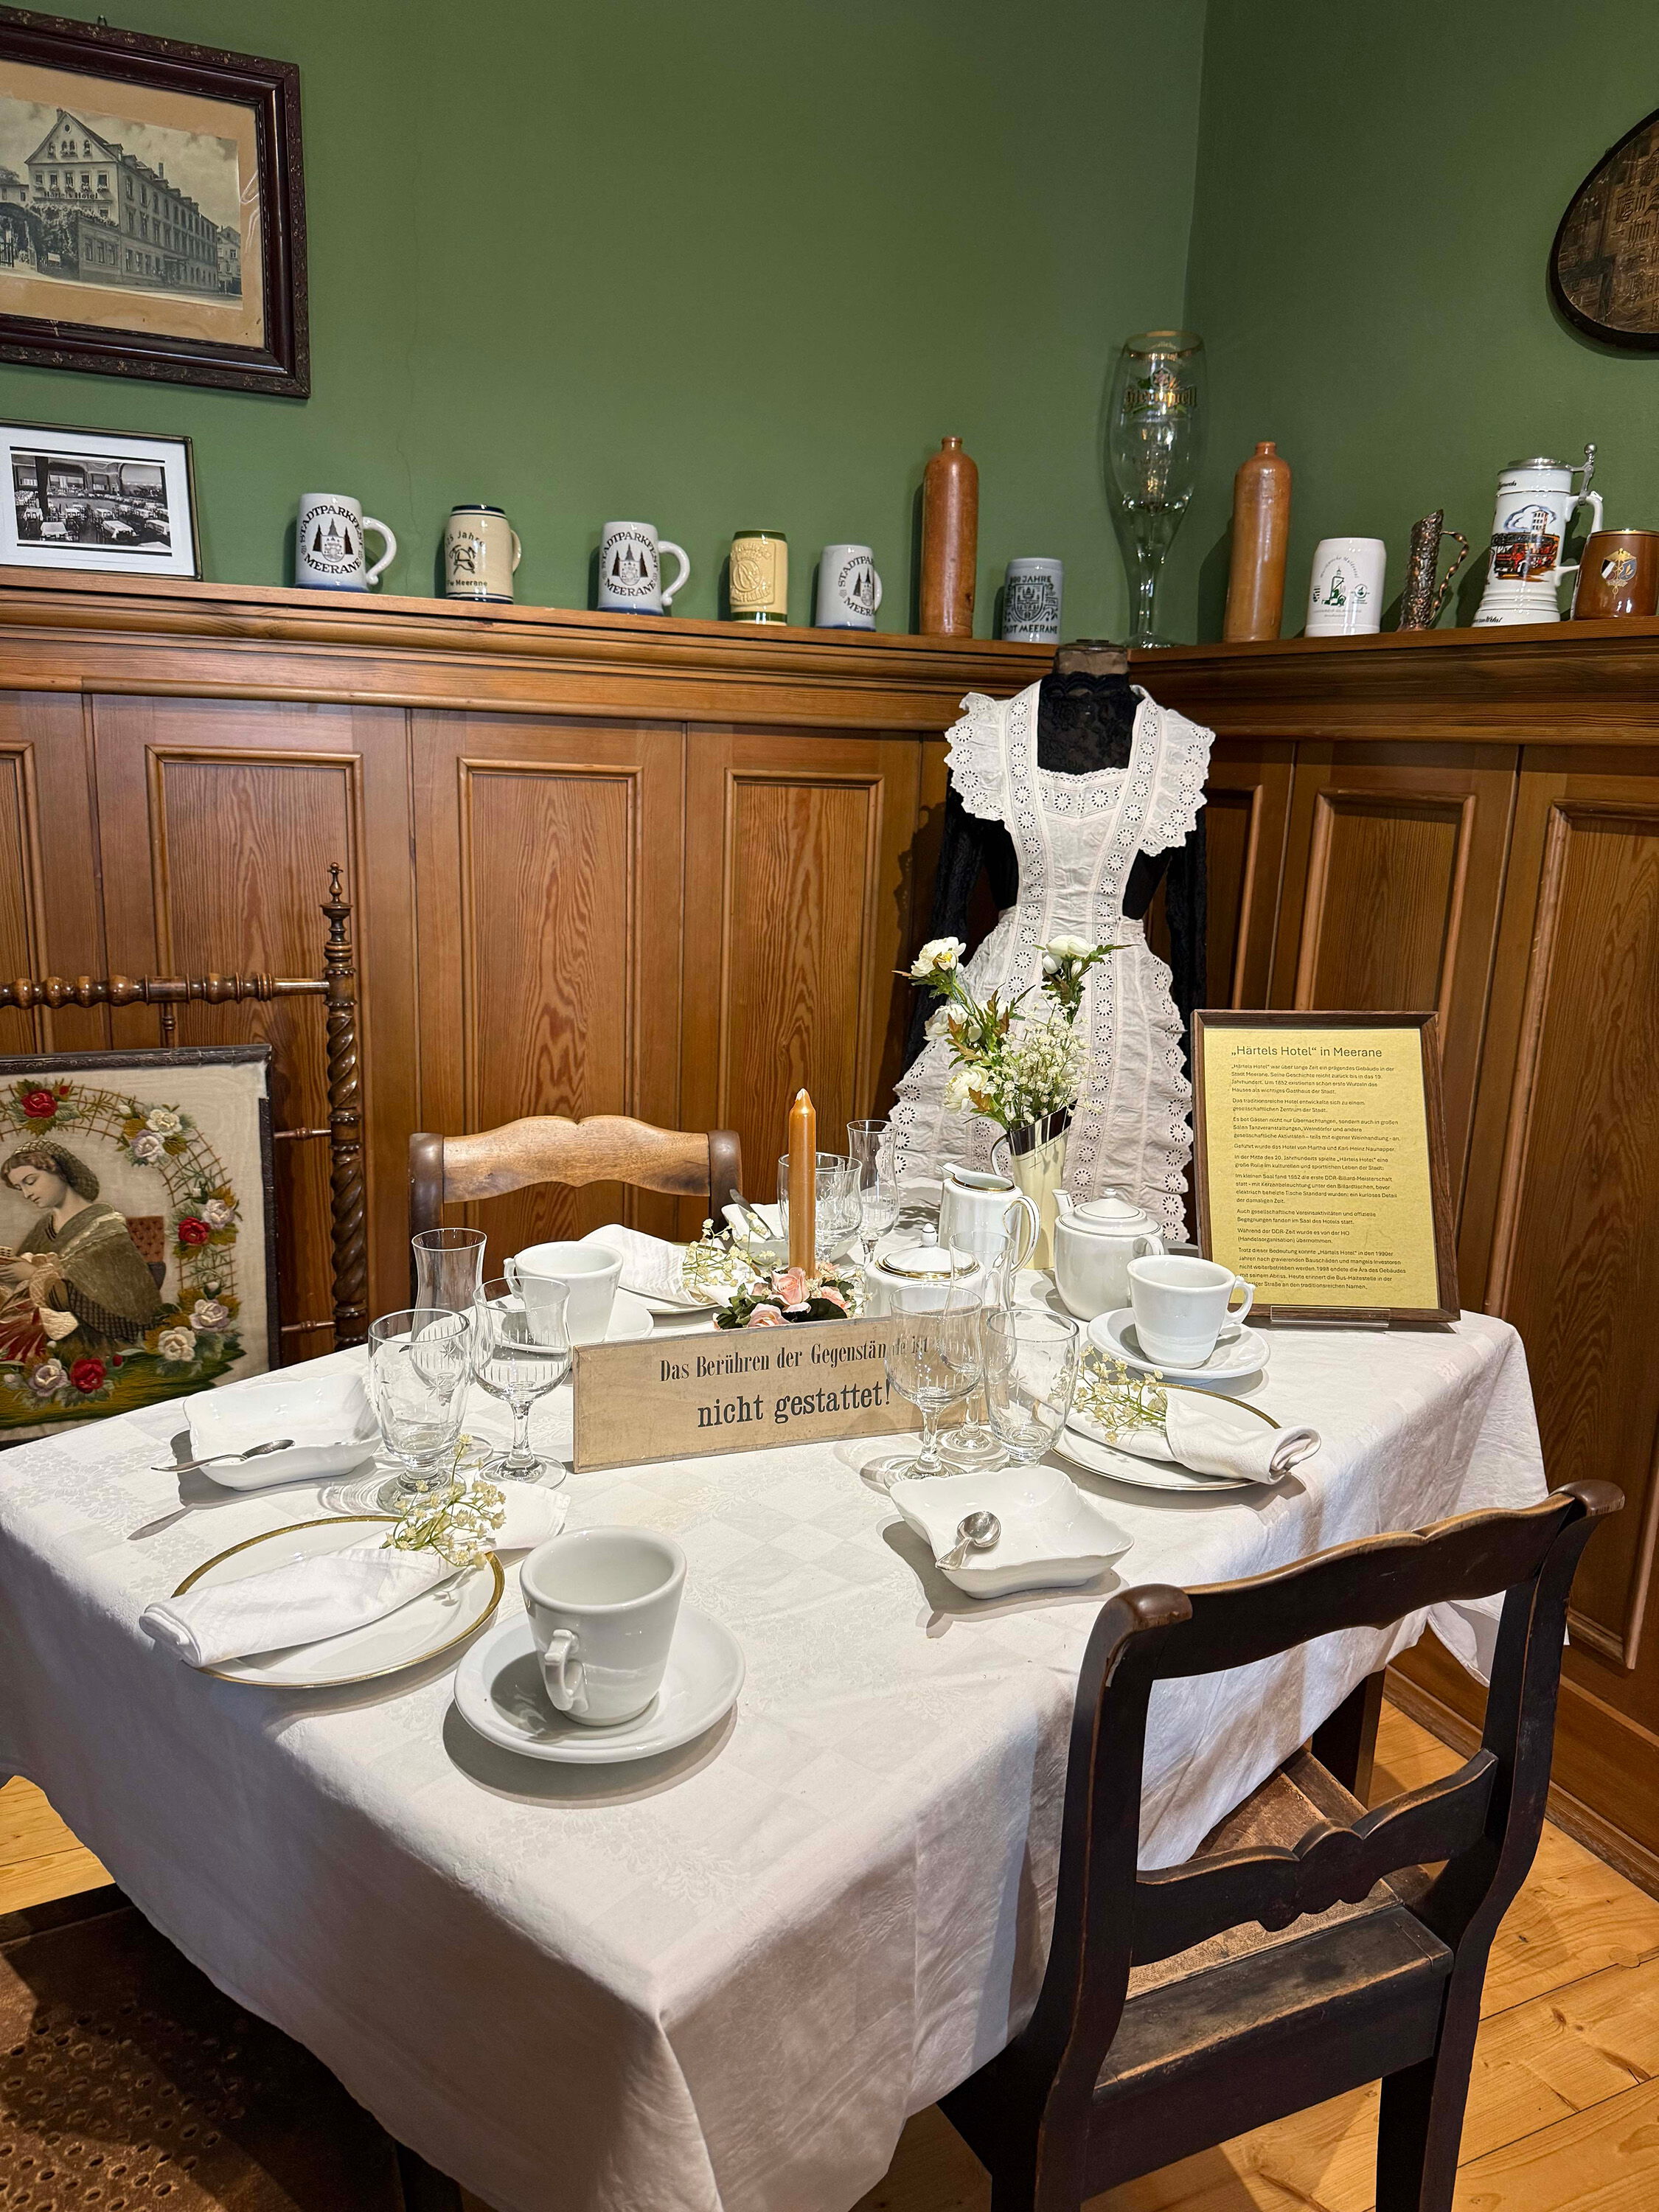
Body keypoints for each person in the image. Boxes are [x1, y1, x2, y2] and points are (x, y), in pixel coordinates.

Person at [0, 1141, 163, 1362]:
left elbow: (119, 1303)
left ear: (60, 1171)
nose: (27, 1194)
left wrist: (33, 1275)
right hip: (38, 1330)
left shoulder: (106, 1228)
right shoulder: (44, 1227)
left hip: (93, 1341)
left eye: (30, 1181)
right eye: (20, 1188)